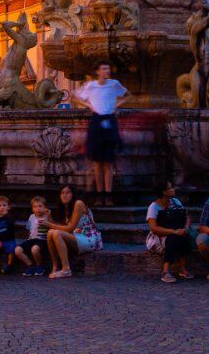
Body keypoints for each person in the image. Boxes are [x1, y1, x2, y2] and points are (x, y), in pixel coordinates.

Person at [73, 62, 128, 206]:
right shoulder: (91, 85)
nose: (107, 70)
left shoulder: (114, 83)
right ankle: (99, 195)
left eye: (108, 68)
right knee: (97, 162)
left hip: (109, 119)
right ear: (97, 71)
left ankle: (108, 196)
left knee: (108, 161)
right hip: (96, 120)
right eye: (104, 68)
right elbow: (76, 96)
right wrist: (89, 105)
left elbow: (127, 95)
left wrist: (116, 105)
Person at [46, 185, 103, 279]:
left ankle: (66, 269)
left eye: (68, 192)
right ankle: (55, 266)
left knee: (56, 233)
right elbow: (62, 227)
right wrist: (49, 218)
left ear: (73, 194)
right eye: (62, 193)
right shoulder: (66, 208)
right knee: (50, 233)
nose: (64, 195)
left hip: (89, 238)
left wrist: (49, 224)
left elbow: (69, 229)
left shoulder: (78, 204)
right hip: (76, 236)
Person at [146, 181, 193, 283]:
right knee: (173, 238)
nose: (173, 189)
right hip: (158, 238)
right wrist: (173, 231)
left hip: (178, 232)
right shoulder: (154, 207)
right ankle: (165, 270)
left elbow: (187, 216)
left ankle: (182, 268)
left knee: (184, 236)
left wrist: (185, 228)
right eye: (170, 188)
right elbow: (153, 228)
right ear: (164, 192)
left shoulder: (176, 202)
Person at [14, 196, 50, 277]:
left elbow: (51, 226)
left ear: (45, 207)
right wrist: (28, 240)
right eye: (35, 206)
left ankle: (39, 266)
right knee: (17, 250)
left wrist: (48, 215)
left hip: (42, 240)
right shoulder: (31, 217)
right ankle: (30, 265)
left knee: (34, 249)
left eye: (40, 206)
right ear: (32, 208)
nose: (38, 208)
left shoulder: (46, 216)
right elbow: (29, 230)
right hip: (31, 239)